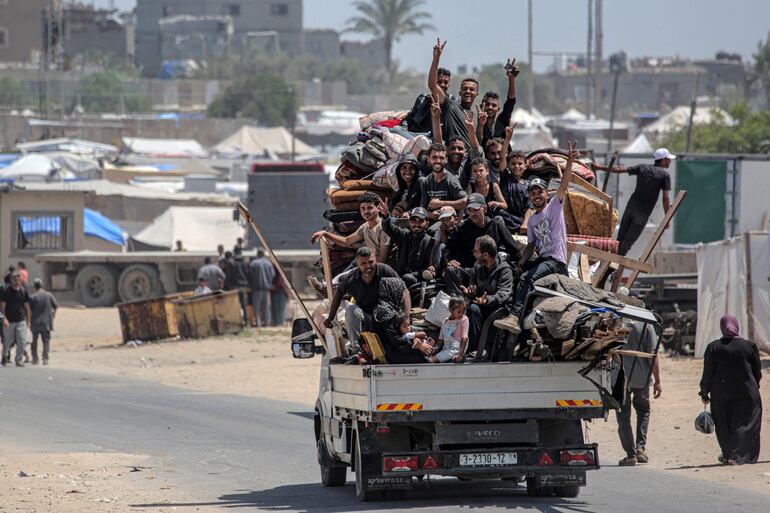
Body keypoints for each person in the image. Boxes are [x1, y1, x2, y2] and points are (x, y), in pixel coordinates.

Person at [501, 141, 578, 335]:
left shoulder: (554, 206)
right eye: (533, 193)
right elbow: (531, 245)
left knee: (528, 277)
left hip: (556, 261)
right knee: (518, 273)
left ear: (546, 193)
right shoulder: (533, 219)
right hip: (543, 259)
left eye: (539, 192)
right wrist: (520, 263)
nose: (536, 196)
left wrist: (569, 162)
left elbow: (564, 183)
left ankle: (514, 318)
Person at [699, 315, 762, 465]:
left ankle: (728, 455)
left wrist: (704, 391)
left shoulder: (713, 347)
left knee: (723, 423)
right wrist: (755, 386)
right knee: (745, 422)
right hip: (746, 391)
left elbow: (708, 372)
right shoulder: (749, 346)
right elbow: (757, 371)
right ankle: (739, 455)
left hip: (721, 392)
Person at [593, 148, 673, 256]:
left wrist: (599, 167)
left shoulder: (643, 168)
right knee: (626, 245)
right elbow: (665, 198)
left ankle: (610, 266)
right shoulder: (664, 175)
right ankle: (612, 269)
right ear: (663, 159)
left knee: (619, 241)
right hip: (642, 214)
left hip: (630, 208)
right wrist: (667, 219)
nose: (670, 161)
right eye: (668, 159)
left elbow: (619, 169)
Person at [325, 247, 404, 352]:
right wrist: (330, 317)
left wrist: (405, 317)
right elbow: (339, 293)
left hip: (388, 316)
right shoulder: (351, 278)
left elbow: (404, 291)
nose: (368, 266)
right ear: (357, 263)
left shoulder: (385, 270)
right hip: (367, 317)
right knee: (351, 310)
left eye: (371, 262)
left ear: (375, 259)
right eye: (363, 263)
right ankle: (356, 350)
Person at [443, 193, 521, 295]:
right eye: (469, 210)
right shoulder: (462, 228)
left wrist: (515, 265)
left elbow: (514, 250)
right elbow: (448, 249)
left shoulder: (496, 226)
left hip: (490, 272)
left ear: (484, 209)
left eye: (476, 209)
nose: (472, 213)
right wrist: (450, 260)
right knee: (450, 271)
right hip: (470, 270)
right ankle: (459, 304)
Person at [616, 321, 662, 466]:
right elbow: (652, 355)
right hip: (642, 378)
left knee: (623, 415)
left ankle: (631, 455)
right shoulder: (646, 324)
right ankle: (640, 448)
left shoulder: (618, 320)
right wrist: (658, 381)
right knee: (643, 411)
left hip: (620, 378)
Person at [460, 236, 514, 359]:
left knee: (494, 314)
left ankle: (488, 349)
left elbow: (504, 293)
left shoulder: (505, 270)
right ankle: (474, 348)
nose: (473, 254)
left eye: (476, 251)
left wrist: (488, 299)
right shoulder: (478, 266)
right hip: (481, 304)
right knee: (472, 308)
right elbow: (473, 284)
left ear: (485, 255)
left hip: (498, 307)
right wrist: (471, 291)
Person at [311, 191, 391, 264]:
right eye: (363, 208)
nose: (366, 211)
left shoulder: (384, 228)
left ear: (378, 208)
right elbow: (346, 241)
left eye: (370, 208)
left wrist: (364, 265)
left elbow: (382, 259)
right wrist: (325, 234)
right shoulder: (365, 227)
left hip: (380, 267)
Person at [428, 38, 478, 148]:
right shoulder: (451, 105)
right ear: (459, 92)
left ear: (476, 94)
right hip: (452, 154)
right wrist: (436, 58)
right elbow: (432, 85)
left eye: (471, 89)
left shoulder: (477, 116)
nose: (468, 92)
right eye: (465, 89)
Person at [381, 207, 435, 288]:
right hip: (399, 276)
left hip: (417, 279)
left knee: (408, 278)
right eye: (414, 221)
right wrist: (386, 216)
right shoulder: (403, 235)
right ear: (409, 222)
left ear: (427, 224)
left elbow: (429, 269)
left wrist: (424, 272)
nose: (416, 224)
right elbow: (387, 227)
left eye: (421, 221)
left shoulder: (430, 242)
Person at [476, 58, 519, 148]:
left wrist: (511, 79)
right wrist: (480, 125)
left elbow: (511, 101)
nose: (490, 107)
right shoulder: (477, 124)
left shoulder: (502, 120)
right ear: (481, 106)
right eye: (487, 104)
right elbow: (477, 142)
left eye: (494, 105)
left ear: (498, 109)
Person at [420, 143, 468, 220]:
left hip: (449, 221)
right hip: (431, 221)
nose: (438, 161)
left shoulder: (451, 180)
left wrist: (441, 203)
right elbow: (423, 208)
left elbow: (465, 202)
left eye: (441, 158)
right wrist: (430, 215)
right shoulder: (426, 182)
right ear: (428, 159)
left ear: (446, 160)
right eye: (434, 157)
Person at [498, 126, 531, 233]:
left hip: (520, 221)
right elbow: (502, 157)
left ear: (526, 165)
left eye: (520, 163)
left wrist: (525, 224)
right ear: (508, 166)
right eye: (513, 164)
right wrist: (507, 138)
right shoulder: (506, 178)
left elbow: (528, 207)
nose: (517, 166)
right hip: (506, 217)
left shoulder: (528, 185)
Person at [1, 272, 31, 367]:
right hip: (9, 321)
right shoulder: (6, 291)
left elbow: (26, 307)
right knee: (8, 341)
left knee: (22, 341)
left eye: (19, 280)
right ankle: (4, 356)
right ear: (11, 281)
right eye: (15, 280)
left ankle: (18, 360)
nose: (17, 282)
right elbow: (2, 307)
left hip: (21, 319)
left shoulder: (23, 291)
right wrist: (4, 319)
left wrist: (28, 320)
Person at [428, 296, 469, 363]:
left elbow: (465, 339)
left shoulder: (464, 319)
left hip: (456, 349)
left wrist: (460, 355)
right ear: (451, 310)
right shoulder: (445, 321)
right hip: (446, 349)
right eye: (459, 312)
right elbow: (440, 341)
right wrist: (433, 350)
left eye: (463, 311)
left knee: (431, 360)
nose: (461, 314)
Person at [28, 278, 58, 365]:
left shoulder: (32, 297)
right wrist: (53, 316)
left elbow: (29, 310)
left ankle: (35, 359)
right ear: (42, 285)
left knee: (34, 341)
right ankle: (45, 359)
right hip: (46, 323)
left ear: (34, 287)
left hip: (35, 323)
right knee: (46, 341)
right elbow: (56, 306)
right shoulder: (48, 295)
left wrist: (29, 322)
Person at [248, 249, 276, 328]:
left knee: (256, 307)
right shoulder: (268, 263)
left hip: (256, 289)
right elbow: (273, 275)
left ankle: (258, 323)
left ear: (257, 254)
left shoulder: (253, 263)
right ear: (263, 254)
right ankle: (267, 323)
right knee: (266, 307)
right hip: (267, 289)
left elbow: (250, 275)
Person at [224, 247, 250, 326]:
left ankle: (236, 323)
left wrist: (228, 287)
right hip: (243, 286)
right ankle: (246, 322)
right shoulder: (246, 261)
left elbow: (228, 276)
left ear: (234, 252)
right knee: (244, 305)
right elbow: (248, 274)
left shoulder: (230, 262)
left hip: (234, 287)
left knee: (234, 305)